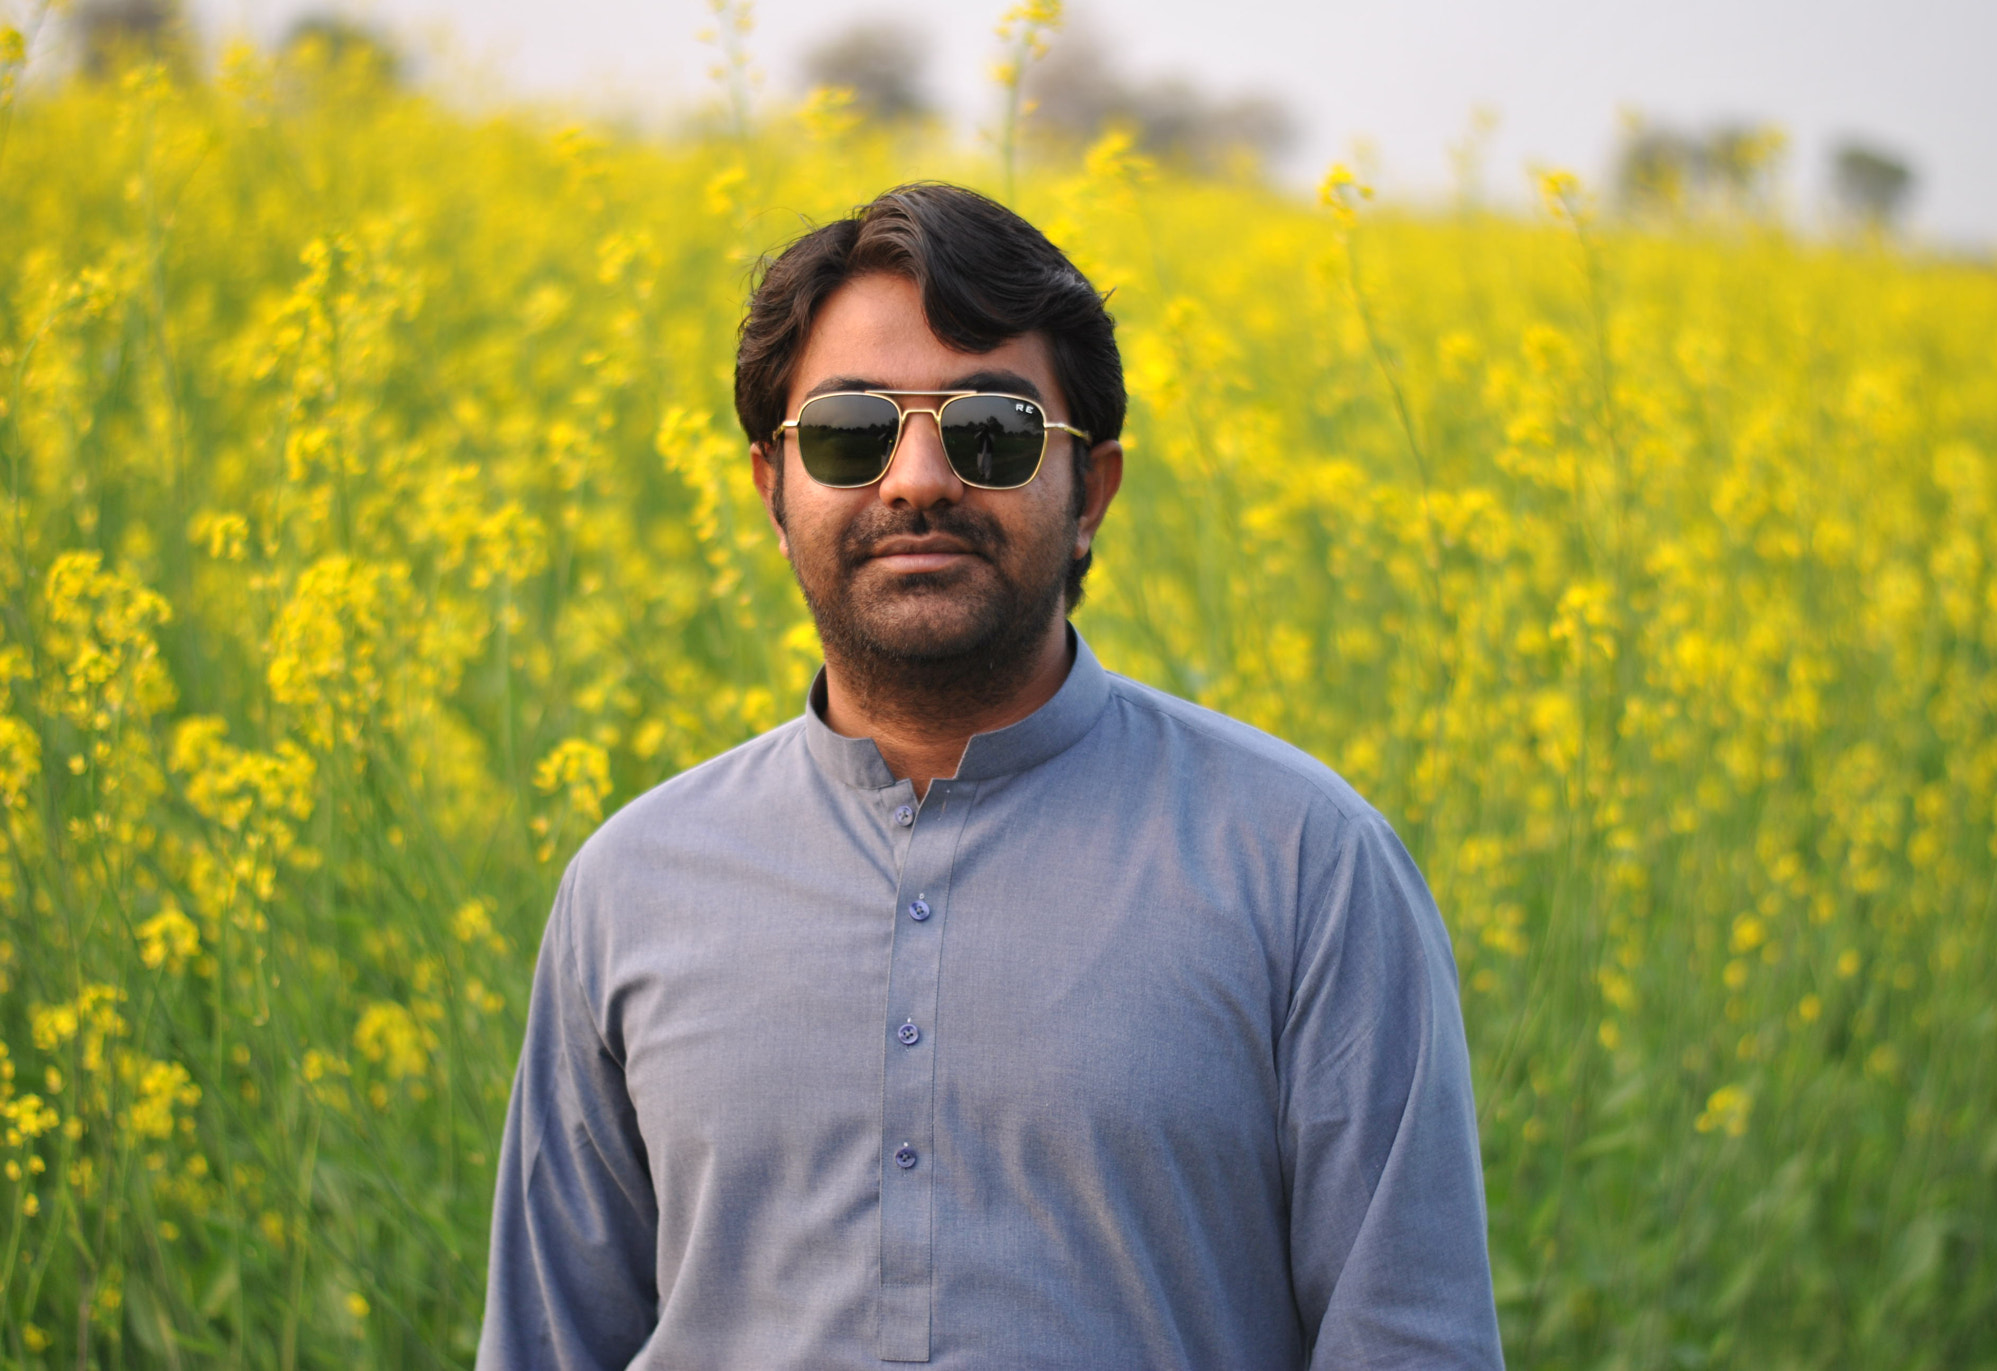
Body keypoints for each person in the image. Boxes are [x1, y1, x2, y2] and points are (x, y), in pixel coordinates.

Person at [478, 182, 1504, 1370]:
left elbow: (1409, 1343)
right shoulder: (630, 887)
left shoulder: (1306, 867)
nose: (916, 479)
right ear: (772, 491)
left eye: (993, 432)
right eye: (854, 432)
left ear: (1090, 497)